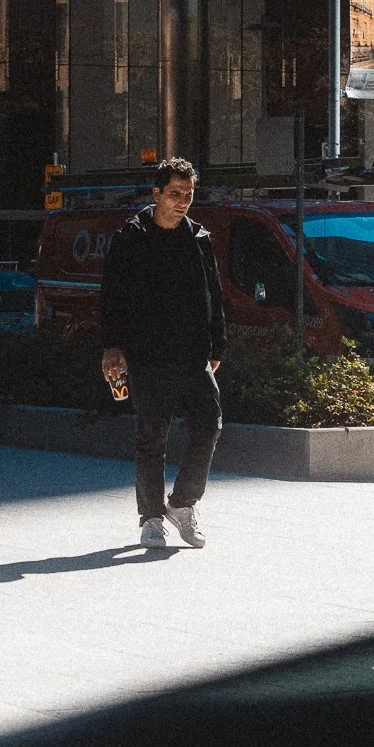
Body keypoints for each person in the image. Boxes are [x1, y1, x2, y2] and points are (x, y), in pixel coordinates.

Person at [100, 156, 226, 549]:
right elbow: (111, 297)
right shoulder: (131, 238)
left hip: (191, 353)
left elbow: (214, 296)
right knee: (152, 436)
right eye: (175, 194)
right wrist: (112, 346)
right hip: (147, 353)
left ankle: (183, 504)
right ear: (156, 193)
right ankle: (152, 517)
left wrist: (216, 345)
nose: (183, 202)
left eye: (188, 195)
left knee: (209, 423)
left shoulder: (198, 239)